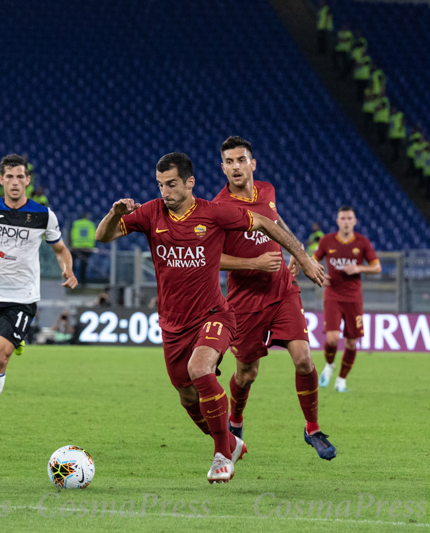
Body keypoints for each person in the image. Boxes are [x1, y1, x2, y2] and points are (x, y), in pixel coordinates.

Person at [94, 152, 323, 483]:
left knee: (199, 369)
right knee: (187, 396)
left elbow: (266, 223)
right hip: (173, 323)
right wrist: (114, 214)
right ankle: (231, 443)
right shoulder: (150, 213)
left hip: (213, 314)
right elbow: (103, 236)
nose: (165, 192)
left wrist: (300, 255)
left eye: (171, 184)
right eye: (160, 185)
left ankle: (221, 455)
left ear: (190, 183)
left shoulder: (214, 212)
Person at [213, 136, 336, 461]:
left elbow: (276, 222)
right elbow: (211, 258)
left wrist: (300, 253)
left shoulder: (267, 190)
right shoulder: (219, 208)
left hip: (282, 290)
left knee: (304, 360)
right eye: (230, 161)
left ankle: (312, 429)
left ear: (252, 163)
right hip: (245, 301)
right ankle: (235, 422)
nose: (236, 166)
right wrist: (253, 263)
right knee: (247, 372)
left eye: (241, 160)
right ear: (222, 167)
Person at [0, 154, 78, 443]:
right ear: (1, 180)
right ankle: (14, 337)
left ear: (27, 180)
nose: (15, 182)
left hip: (21, 298)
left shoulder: (43, 215)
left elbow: (60, 249)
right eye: (9, 177)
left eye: (20, 176)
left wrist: (69, 270)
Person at [314, 206, 380, 393]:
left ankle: (341, 380)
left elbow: (376, 267)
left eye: (349, 218)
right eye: (342, 218)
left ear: (354, 221)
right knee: (333, 338)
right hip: (333, 295)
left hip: (353, 298)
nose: (346, 221)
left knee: (351, 342)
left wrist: (359, 269)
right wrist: (319, 275)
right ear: (337, 221)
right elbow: (312, 260)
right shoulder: (327, 241)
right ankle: (329, 365)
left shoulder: (362, 242)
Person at [71, 212, 96, 282]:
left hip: (76, 247)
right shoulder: (91, 224)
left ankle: (70, 278)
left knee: (72, 263)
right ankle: (82, 281)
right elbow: (93, 236)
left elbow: (72, 234)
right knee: (83, 264)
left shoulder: (76, 223)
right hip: (87, 248)